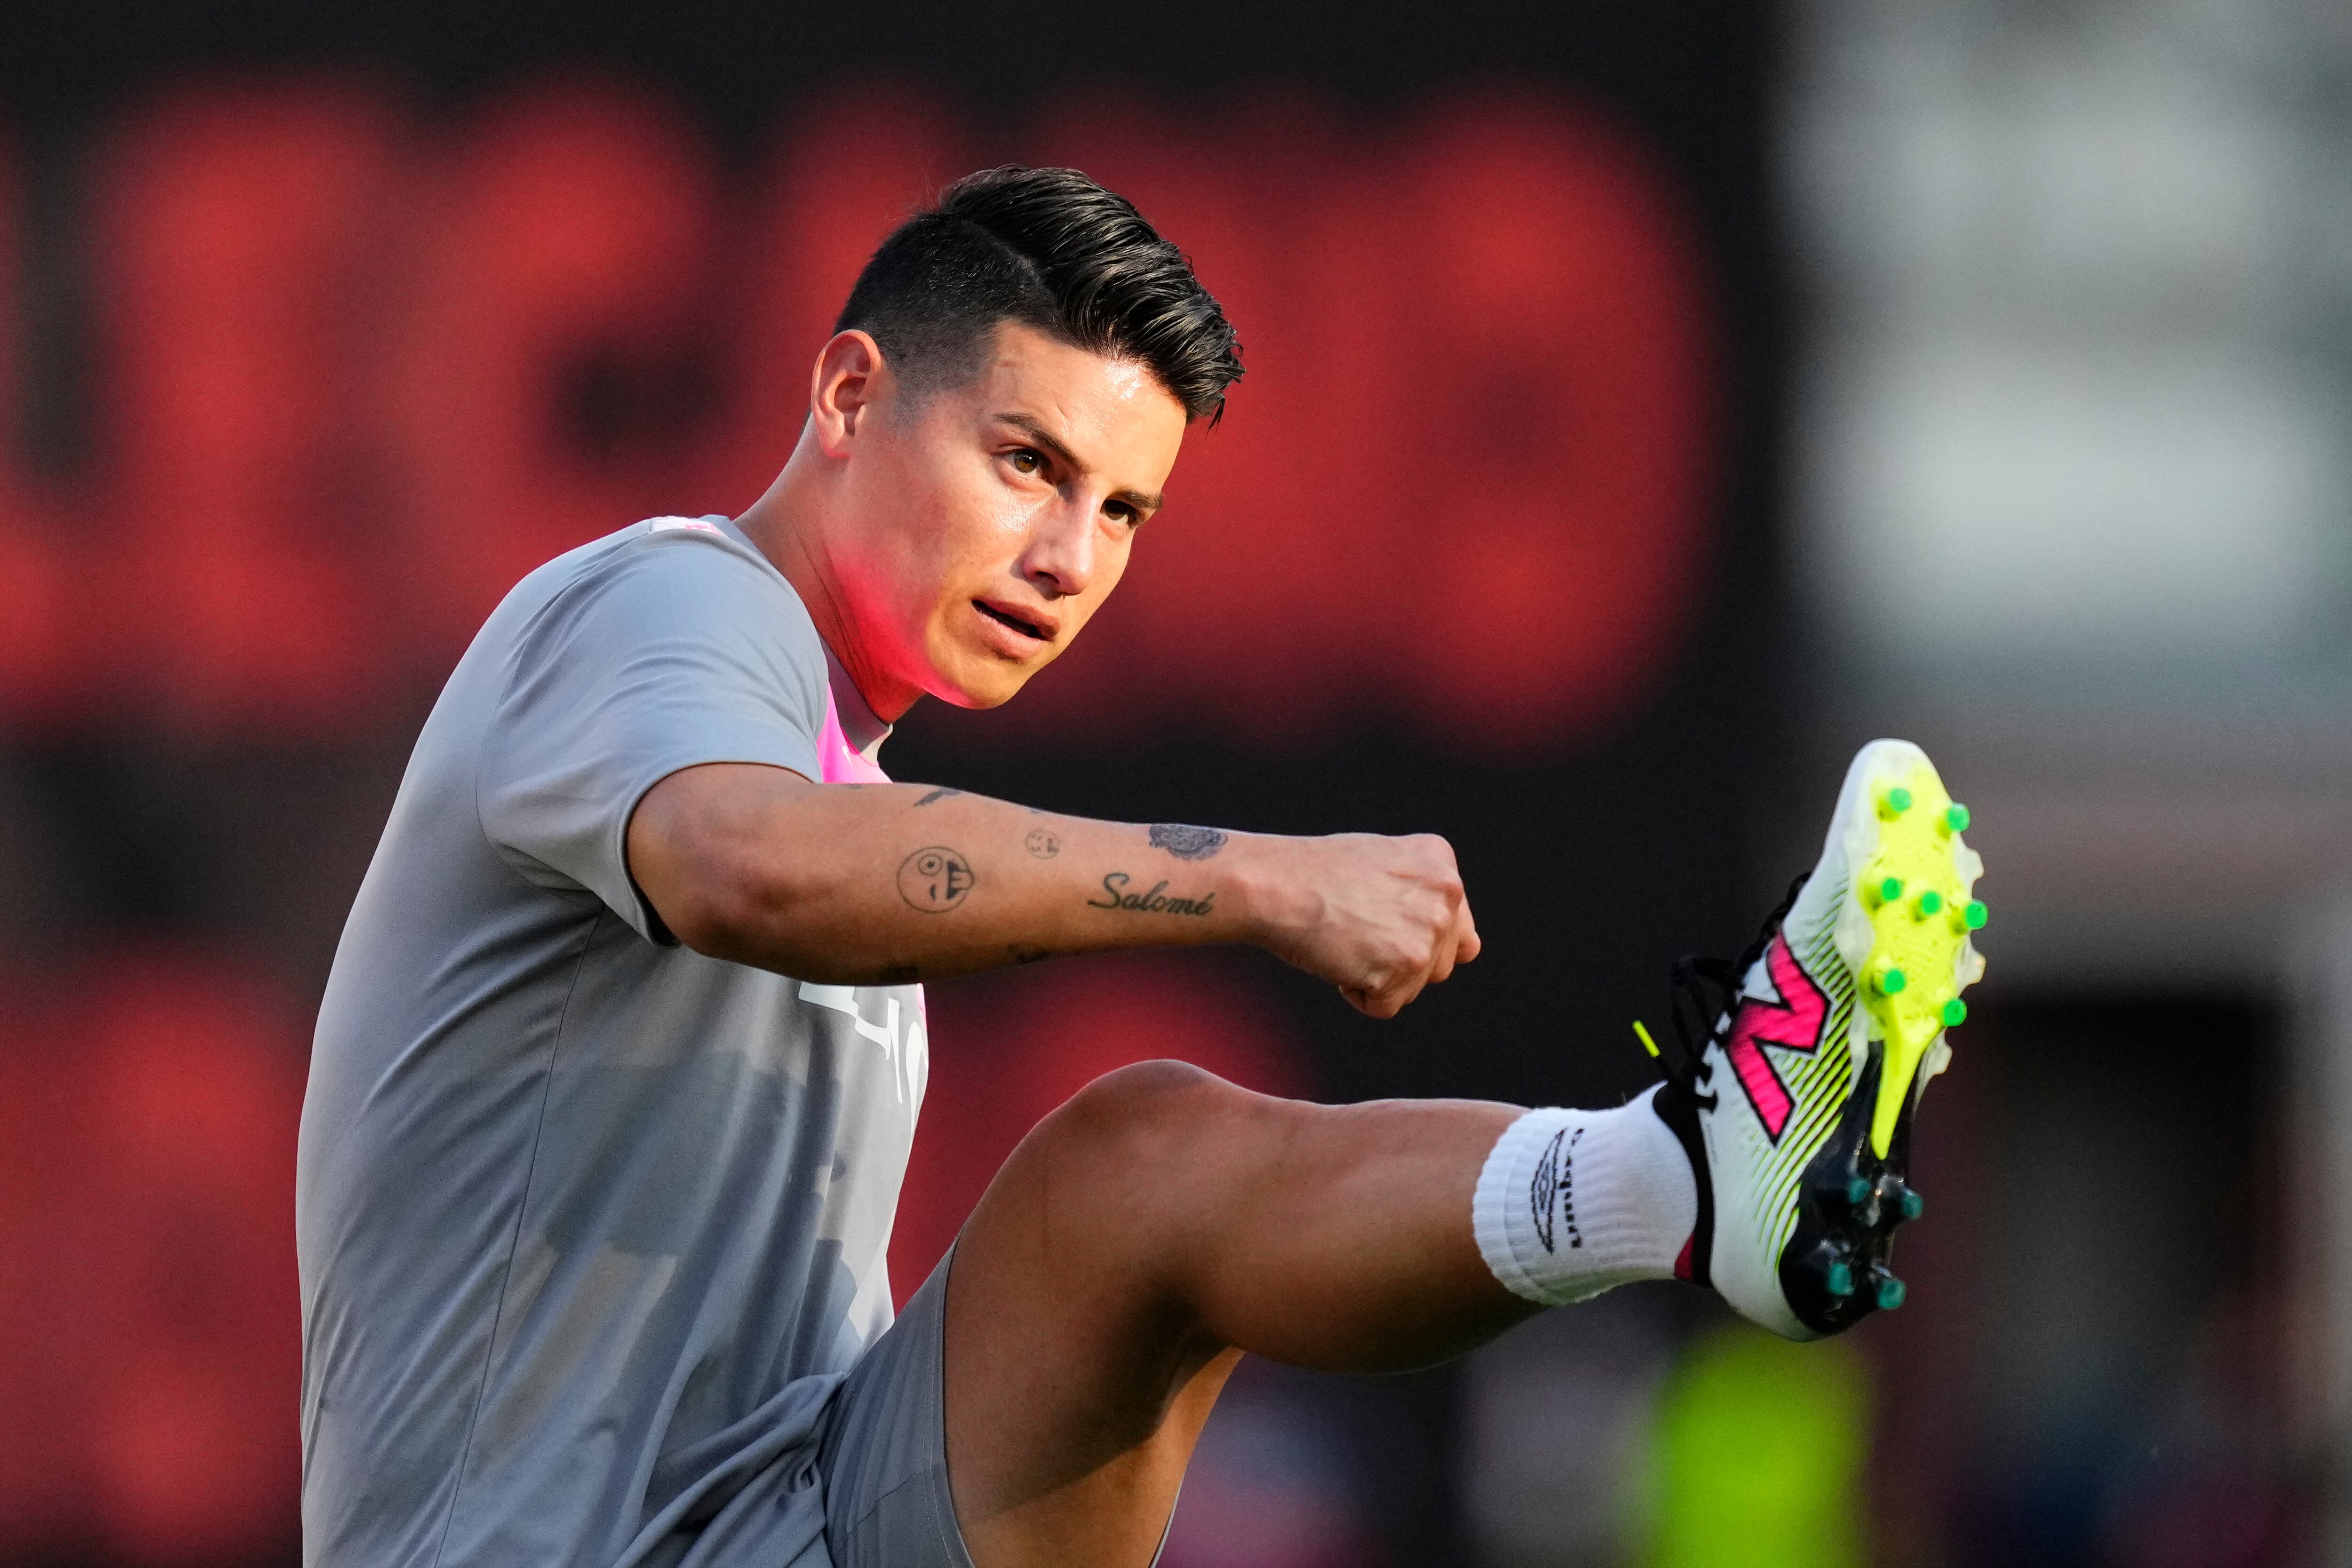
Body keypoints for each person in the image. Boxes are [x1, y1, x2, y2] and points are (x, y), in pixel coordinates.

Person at [296, 165, 1986, 1568]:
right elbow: (743, 865)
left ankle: (1683, 1177)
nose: (1068, 557)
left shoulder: (837, 761)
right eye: (1028, 462)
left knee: (1142, 1173)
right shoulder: (661, 603)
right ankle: (1677, 1176)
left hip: (784, 1515)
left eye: (1122, 512)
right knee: (1129, 1168)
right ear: (849, 394)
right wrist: (1262, 880)